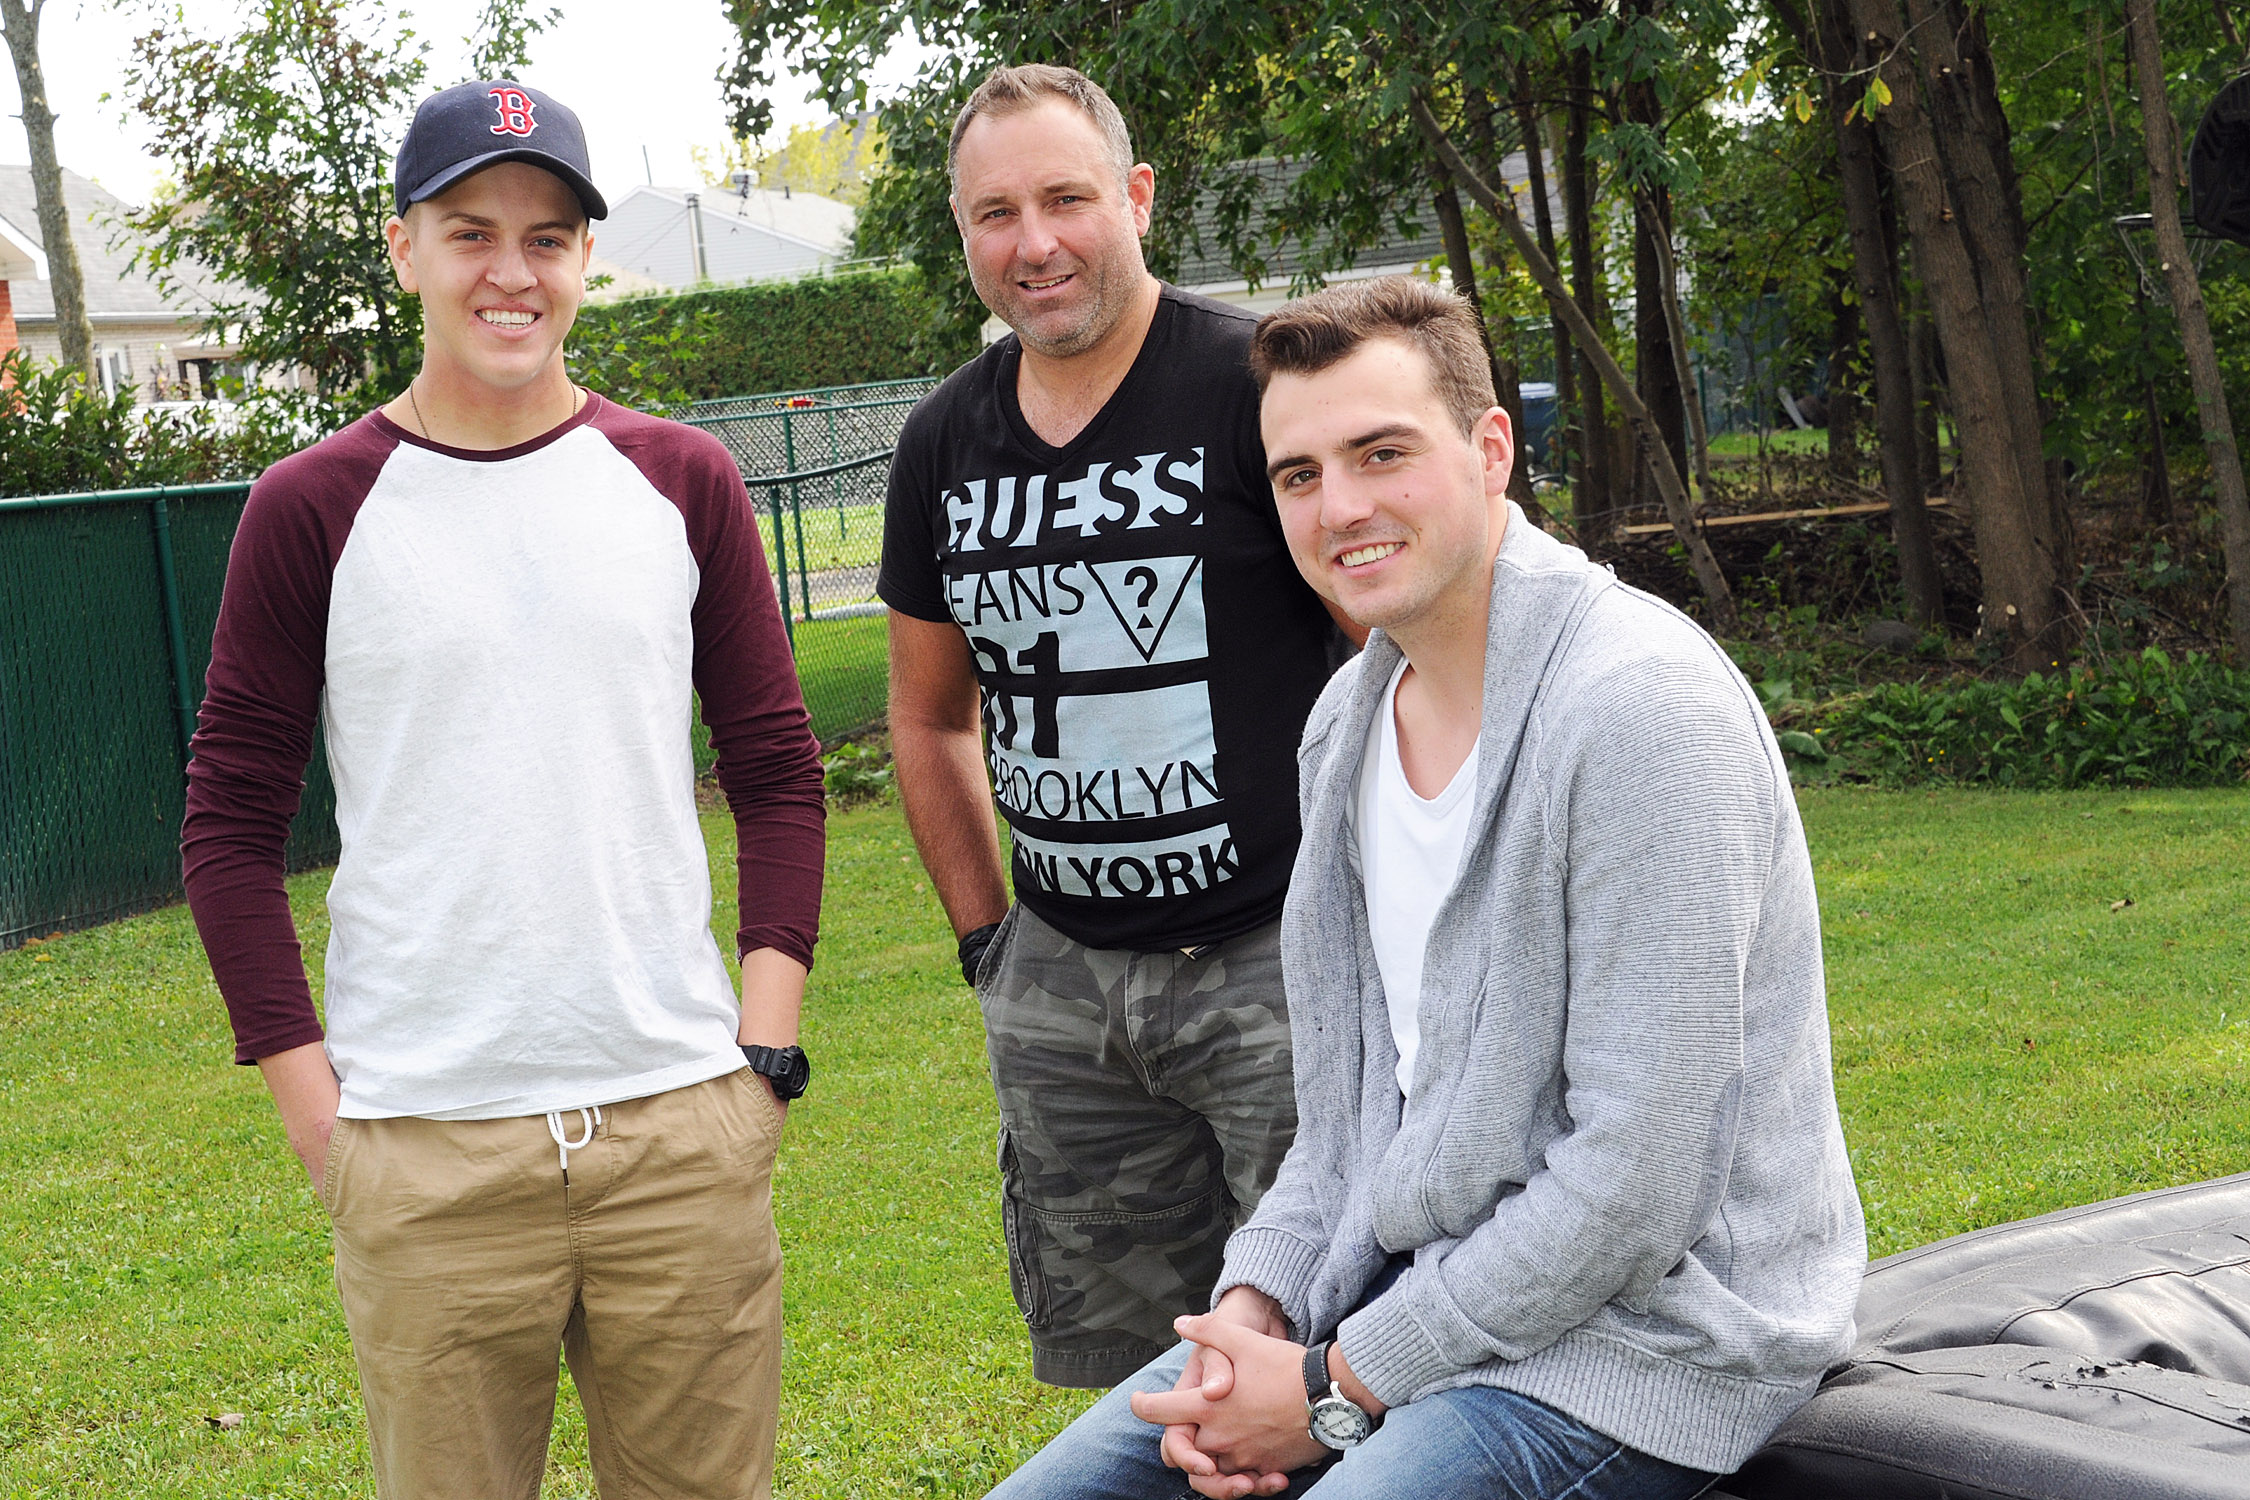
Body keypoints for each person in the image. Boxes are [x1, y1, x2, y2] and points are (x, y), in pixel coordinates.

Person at [986, 276, 1868, 1499]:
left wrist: (1331, 1389)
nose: (1340, 507)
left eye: (1381, 452)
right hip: (1415, 1302)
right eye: (1299, 475)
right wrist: (1248, 1323)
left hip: (1648, 1345)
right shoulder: (1346, 723)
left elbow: (1636, 1184)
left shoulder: (1640, 711)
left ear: (1490, 448)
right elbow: (1346, 1123)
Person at [180, 79, 825, 1500]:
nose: (511, 272)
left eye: (548, 237)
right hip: (424, 1143)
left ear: (587, 261)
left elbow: (778, 773)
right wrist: (314, 1116)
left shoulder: (680, 479)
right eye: (471, 231)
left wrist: (762, 1054)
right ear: (405, 249)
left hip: (677, 1128)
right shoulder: (315, 504)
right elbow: (227, 826)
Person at [878, 64, 1356, 1390]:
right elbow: (925, 719)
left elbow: (1398, 656)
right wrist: (993, 944)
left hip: (1279, 968)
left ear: (1135, 197)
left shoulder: (1258, 387)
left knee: (1322, 1367)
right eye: (993, 213)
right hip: (1067, 997)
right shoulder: (941, 443)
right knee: (1127, 1396)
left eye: (1066, 198)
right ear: (962, 232)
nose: (1033, 244)